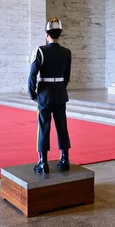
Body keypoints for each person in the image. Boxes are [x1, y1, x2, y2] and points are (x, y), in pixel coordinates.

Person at [28, 18, 72, 174]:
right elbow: (67, 76)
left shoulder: (40, 51)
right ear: (59, 34)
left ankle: (43, 162)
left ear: (47, 34)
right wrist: (61, 88)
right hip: (60, 93)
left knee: (44, 128)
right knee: (62, 127)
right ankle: (65, 159)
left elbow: (32, 75)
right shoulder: (67, 52)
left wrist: (32, 93)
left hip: (45, 95)